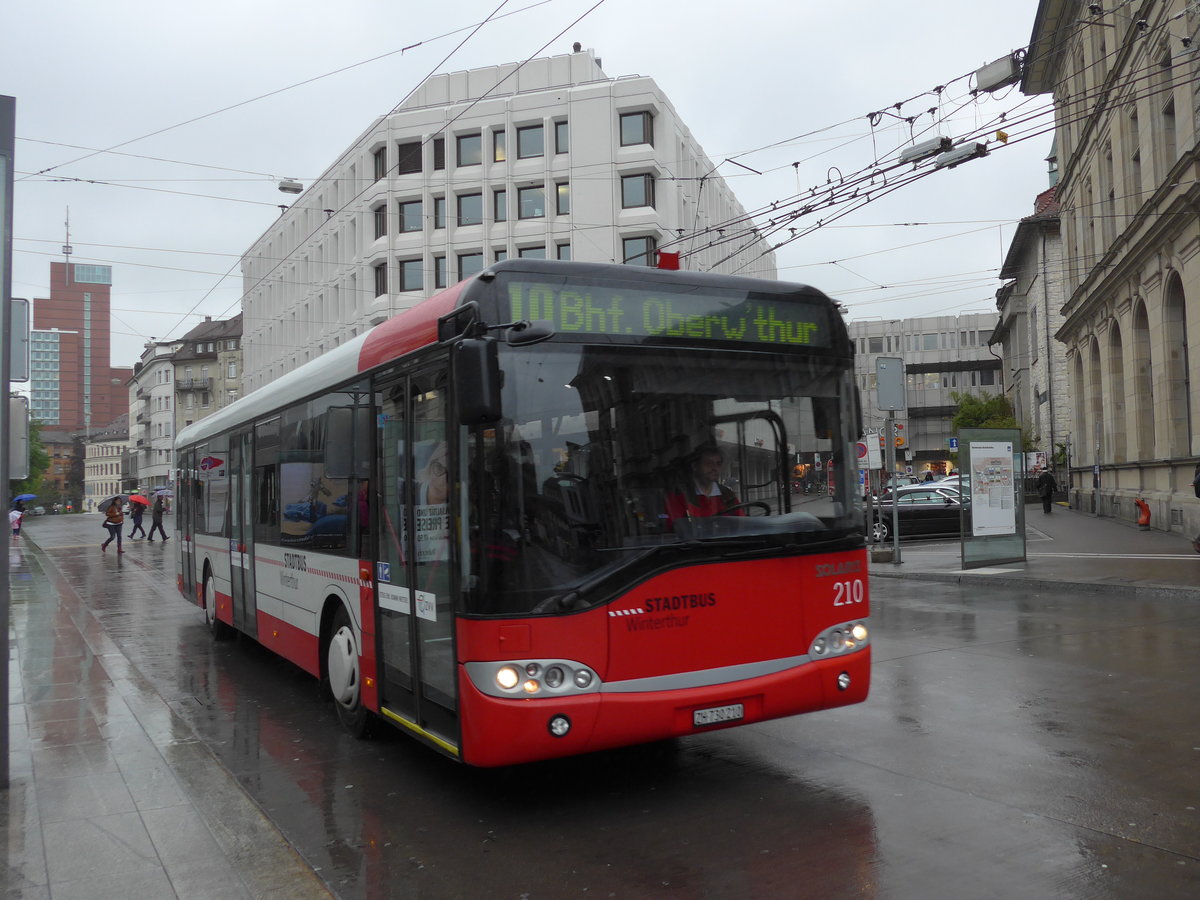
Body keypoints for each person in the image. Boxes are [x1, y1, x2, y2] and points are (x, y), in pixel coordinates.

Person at [665, 444, 744, 523]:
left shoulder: (728, 496)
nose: (715, 468)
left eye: (718, 464)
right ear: (695, 466)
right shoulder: (680, 496)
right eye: (709, 463)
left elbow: (741, 524)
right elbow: (674, 526)